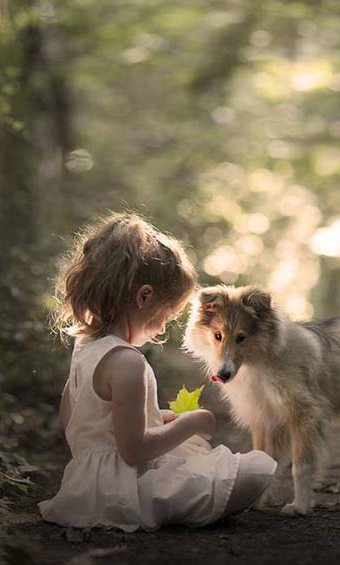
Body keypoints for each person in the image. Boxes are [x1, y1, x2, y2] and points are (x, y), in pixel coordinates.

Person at [38, 212, 277, 532]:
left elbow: (81, 421)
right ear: (144, 297)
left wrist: (162, 418)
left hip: (85, 485)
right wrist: (191, 422)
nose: (164, 325)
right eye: (167, 314)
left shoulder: (85, 349)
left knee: (195, 451)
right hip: (125, 490)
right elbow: (135, 450)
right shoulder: (127, 362)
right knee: (258, 469)